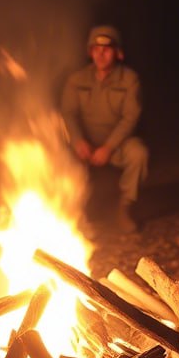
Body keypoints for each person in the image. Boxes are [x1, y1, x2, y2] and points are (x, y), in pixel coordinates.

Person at [60, 25, 148, 234]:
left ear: (118, 53)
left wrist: (108, 147)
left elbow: (130, 118)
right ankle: (72, 210)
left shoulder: (129, 80)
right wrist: (77, 140)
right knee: (57, 153)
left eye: (106, 49)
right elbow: (68, 113)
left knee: (138, 153)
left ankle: (125, 208)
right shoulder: (77, 79)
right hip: (85, 143)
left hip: (116, 143)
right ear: (90, 52)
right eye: (96, 49)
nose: (100, 54)